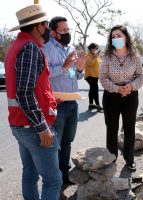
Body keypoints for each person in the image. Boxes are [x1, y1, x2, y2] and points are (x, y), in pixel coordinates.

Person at [5, 4, 62, 200]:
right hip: (33, 127)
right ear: (38, 26)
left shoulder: (16, 46)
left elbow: (31, 87)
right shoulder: (29, 48)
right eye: (46, 24)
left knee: (30, 173)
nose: (48, 28)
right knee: (53, 180)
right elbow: (24, 92)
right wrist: (42, 127)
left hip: (21, 124)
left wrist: (50, 99)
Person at [41, 16, 86, 187]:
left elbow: (74, 75)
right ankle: (54, 180)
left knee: (67, 141)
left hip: (72, 102)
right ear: (53, 32)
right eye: (63, 30)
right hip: (56, 103)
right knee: (56, 144)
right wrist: (65, 66)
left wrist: (79, 67)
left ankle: (65, 175)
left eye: (68, 30)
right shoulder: (45, 48)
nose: (67, 33)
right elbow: (44, 74)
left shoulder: (71, 48)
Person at [100, 25, 143, 171]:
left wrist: (130, 86)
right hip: (111, 95)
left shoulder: (134, 56)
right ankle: (111, 158)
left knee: (129, 127)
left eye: (119, 35)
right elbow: (103, 78)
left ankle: (129, 159)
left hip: (131, 95)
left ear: (126, 37)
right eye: (113, 36)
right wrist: (117, 89)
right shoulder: (107, 56)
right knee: (111, 128)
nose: (116, 39)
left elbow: (140, 76)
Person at [85, 43, 102, 112]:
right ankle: (98, 105)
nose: (96, 50)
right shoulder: (88, 55)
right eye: (95, 48)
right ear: (91, 49)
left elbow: (99, 62)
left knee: (92, 90)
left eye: (97, 49)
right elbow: (90, 63)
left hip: (95, 76)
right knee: (95, 90)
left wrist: (97, 56)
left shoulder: (94, 55)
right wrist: (95, 57)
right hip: (90, 76)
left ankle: (91, 104)